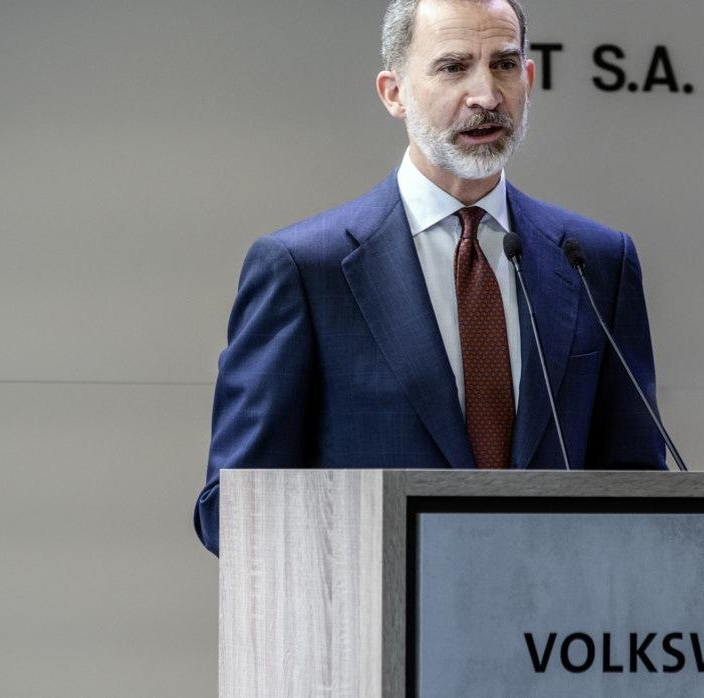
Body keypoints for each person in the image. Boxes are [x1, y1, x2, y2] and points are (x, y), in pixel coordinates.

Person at [193, 0, 666, 555]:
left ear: (529, 78)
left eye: (504, 65)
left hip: (555, 607)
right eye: (453, 67)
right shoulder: (305, 270)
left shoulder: (595, 260)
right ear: (393, 93)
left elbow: (639, 486)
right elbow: (231, 510)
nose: (486, 96)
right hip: (378, 604)